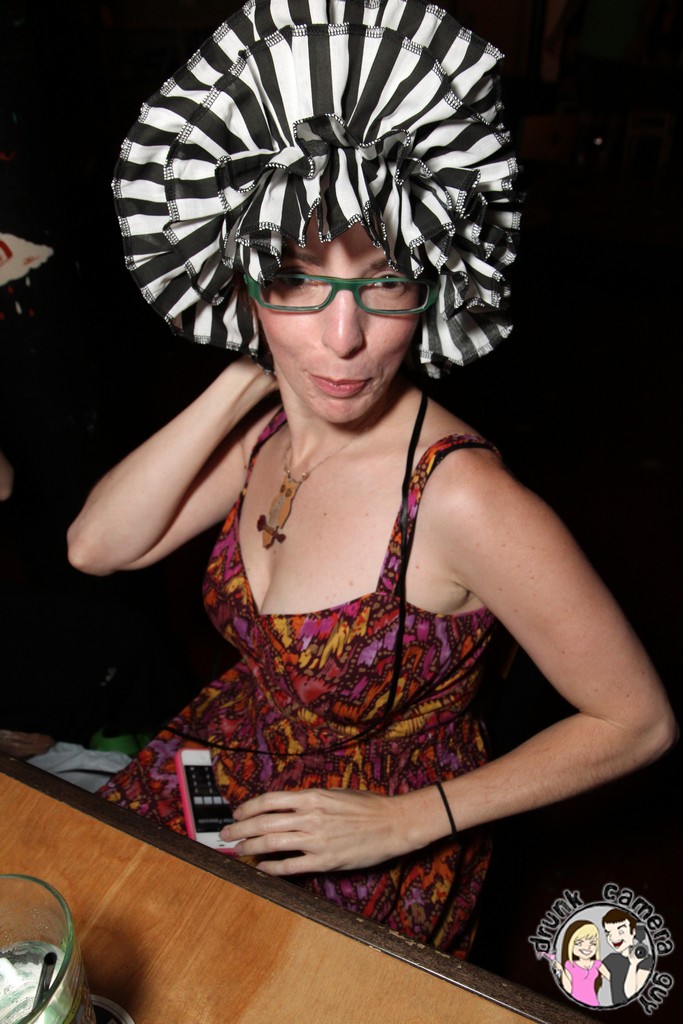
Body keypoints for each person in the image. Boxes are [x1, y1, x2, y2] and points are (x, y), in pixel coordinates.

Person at [67, 0, 676, 958]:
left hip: (377, 833)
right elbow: (95, 546)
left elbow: (636, 721)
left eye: (384, 281)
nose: (343, 338)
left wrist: (411, 819)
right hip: (229, 761)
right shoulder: (262, 428)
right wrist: (251, 371)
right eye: (296, 279)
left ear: (429, 287)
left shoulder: (461, 498)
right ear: (243, 285)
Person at [551, 920, 610, 1007]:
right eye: (579, 943)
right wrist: (561, 970)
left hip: (593, 1003)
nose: (587, 947)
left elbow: (613, 979)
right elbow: (568, 989)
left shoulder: (597, 964)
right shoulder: (569, 965)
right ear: (570, 944)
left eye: (593, 943)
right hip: (573, 1004)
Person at [601, 909, 653, 1004]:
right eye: (608, 933)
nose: (613, 938)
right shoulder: (611, 959)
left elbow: (631, 994)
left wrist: (633, 964)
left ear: (633, 931)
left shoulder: (646, 960)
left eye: (620, 932)